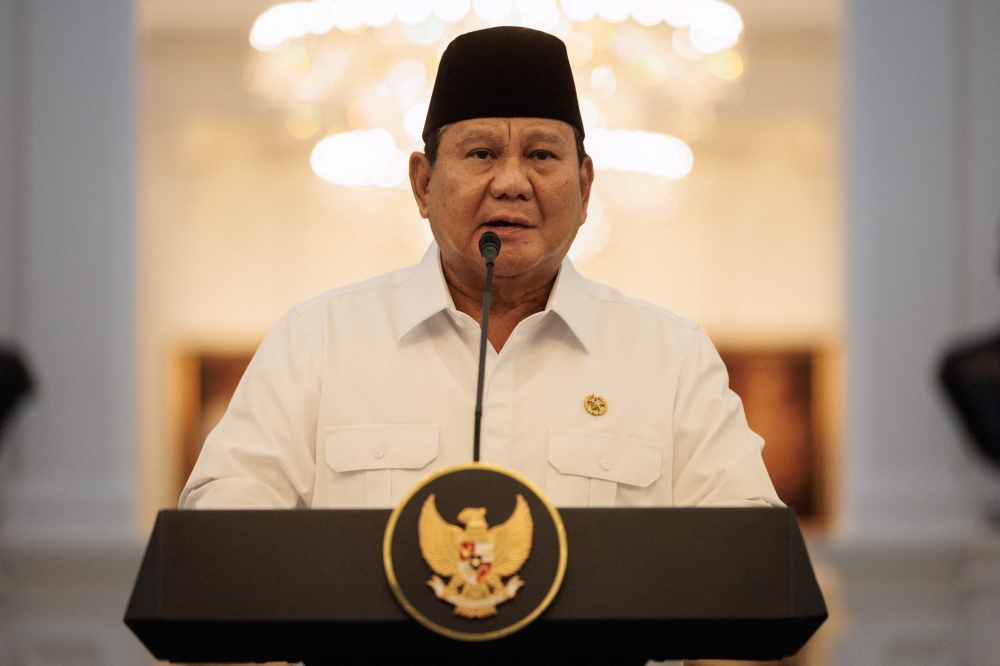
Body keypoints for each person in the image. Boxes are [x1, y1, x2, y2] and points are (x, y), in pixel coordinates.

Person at [180, 26, 781, 511]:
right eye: (481, 154)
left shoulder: (669, 357)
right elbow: (224, 526)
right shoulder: (317, 342)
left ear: (585, 185)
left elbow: (746, 547)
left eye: (542, 155)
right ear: (422, 184)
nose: (513, 182)